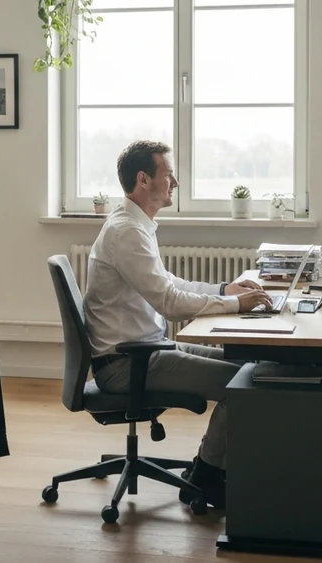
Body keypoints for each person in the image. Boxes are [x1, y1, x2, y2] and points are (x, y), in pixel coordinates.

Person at [83, 140, 274, 509]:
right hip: (128, 364)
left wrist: (224, 289)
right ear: (143, 180)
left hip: (147, 349)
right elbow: (171, 304)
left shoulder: (136, 226)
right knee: (246, 386)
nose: (174, 183)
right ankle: (206, 475)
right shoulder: (126, 232)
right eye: (168, 175)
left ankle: (207, 467)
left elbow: (172, 285)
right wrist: (235, 303)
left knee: (249, 370)